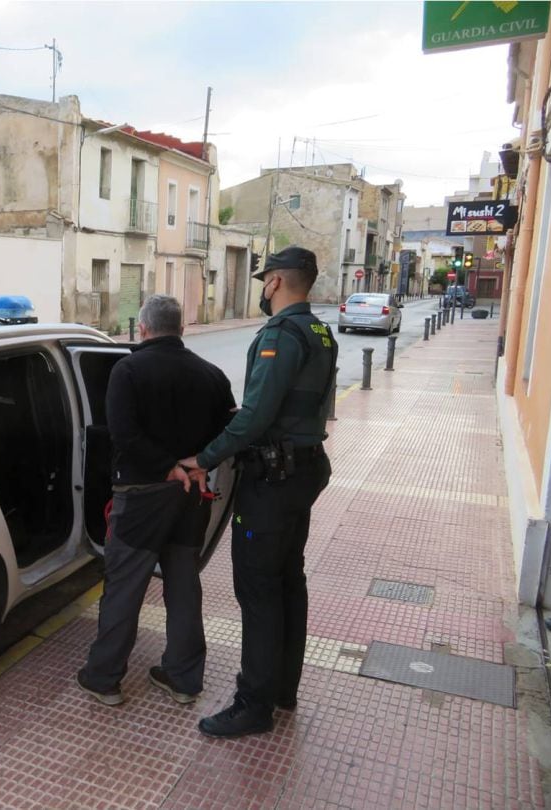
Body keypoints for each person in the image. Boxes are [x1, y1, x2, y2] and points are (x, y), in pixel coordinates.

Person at [180, 246, 337, 738]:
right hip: (303, 470)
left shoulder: (280, 333)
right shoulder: (320, 331)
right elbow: (296, 406)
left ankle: (253, 703)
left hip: (272, 480)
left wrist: (202, 458)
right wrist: (252, 421)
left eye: (263, 280)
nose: (262, 289)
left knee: (258, 589)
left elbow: (256, 415)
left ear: (274, 283)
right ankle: (283, 688)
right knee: (289, 580)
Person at [77, 294, 235, 707]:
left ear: (143, 329)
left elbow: (123, 434)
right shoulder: (213, 375)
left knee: (125, 588)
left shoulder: (127, 370)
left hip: (143, 499)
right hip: (191, 500)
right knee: (184, 586)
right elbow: (227, 433)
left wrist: (168, 468)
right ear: (181, 329)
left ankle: (103, 677)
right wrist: (195, 466)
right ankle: (183, 679)